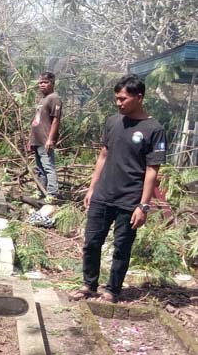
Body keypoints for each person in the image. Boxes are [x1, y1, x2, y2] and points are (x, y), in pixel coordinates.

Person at [69, 75, 166, 303]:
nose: (118, 103)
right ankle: (89, 285)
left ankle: (112, 290)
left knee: (121, 248)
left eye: (123, 99)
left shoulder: (154, 129)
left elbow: (152, 170)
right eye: (116, 98)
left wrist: (143, 205)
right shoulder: (113, 122)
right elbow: (103, 155)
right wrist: (92, 188)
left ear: (139, 97)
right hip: (103, 194)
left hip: (129, 200)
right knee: (92, 242)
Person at [28, 72, 62, 200]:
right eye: (40, 82)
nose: (42, 84)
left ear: (52, 83)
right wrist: (31, 139)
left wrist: (50, 139)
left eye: (45, 82)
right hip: (37, 139)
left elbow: (56, 120)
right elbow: (36, 120)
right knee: (39, 168)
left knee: (48, 167)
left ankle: (52, 194)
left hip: (45, 140)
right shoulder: (43, 100)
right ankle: (41, 191)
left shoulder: (54, 98)